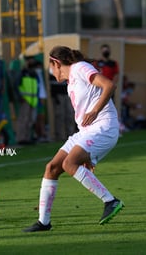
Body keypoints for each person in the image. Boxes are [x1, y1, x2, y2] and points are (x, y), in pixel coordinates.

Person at [23, 46, 124, 232]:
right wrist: (83, 152)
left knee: (69, 164)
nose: (51, 72)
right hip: (86, 132)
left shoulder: (80, 68)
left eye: (51, 67)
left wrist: (94, 111)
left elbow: (109, 85)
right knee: (52, 168)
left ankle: (111, 201)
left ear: (57, 63)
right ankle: (43, 222)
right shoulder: (71, 82)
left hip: (103, 127)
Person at [15, 56, 39, 144]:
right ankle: (21, 138)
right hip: (25, 100)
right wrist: (19, 96)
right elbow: (16, 86)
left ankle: (27, 138)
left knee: (30, 120)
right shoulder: (22, 73)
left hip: (33, 100)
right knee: (23, 120)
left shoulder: (34, 74)